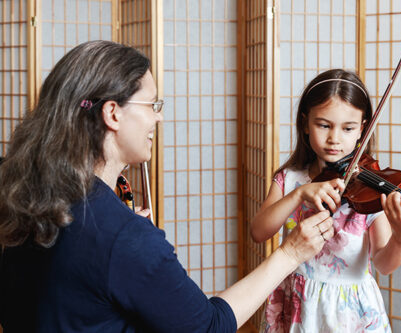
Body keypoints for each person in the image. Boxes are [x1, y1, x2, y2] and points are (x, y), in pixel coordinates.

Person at [0, 40, 336, 333]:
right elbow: (209, 326)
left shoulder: (26, 194)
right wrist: (290, 253)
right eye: (152, 105)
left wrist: (129, 250)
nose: (158, 118)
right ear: (113, 114)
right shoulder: (124, 237)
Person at [251, 69, 401, 332]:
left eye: (348, 128)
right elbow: (259, 232)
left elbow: (384, 264)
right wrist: (299, 194)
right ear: (305, 124)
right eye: (324, 125)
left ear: (362, 129)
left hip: (349, 311)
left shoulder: (369, 190)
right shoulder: (291, 178)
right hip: (296, 302)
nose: (334, 138)